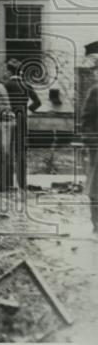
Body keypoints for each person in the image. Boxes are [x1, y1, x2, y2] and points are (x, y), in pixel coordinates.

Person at [3, 58, 42, 190]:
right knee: (21, 152)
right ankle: (22, 183)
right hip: (22, 120)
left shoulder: (5, 85)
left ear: (9, 71)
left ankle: (7, 183)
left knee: (7, 151)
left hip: (8, 121)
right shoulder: (26, 85)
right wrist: (27, 111)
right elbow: (38, 102)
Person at [82, 79, 98, 235]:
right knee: (96, 188)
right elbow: (87, 120)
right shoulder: (95, 91)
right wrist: (93, 141)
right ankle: (97, 224)